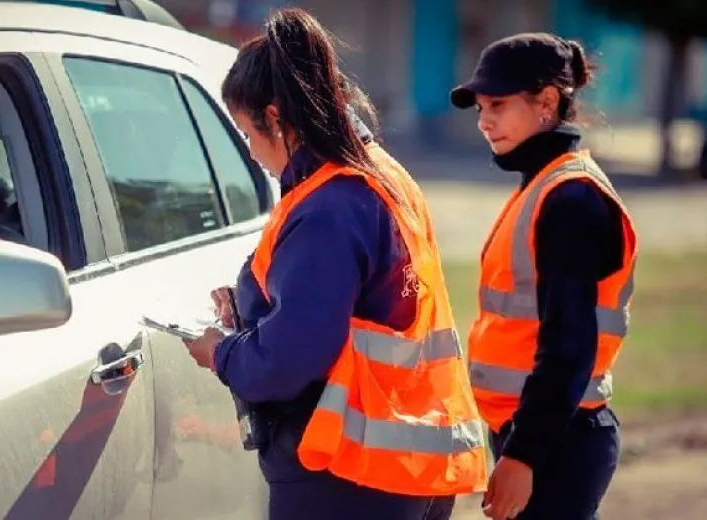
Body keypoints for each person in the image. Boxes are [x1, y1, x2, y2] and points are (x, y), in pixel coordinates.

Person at [183, 8, 488, 520]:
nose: (252, 153)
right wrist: (249, 306)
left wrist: (221, 352)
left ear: (275, 118)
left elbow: (288, 360)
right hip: (410, 461)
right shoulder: (380, 175)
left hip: (348, 474)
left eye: (248, 134)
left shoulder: (329, 206)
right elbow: (363, 306)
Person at [449, 33, 638, 520]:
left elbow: (568, 347)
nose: (484, 121)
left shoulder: (571, 199)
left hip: (558, 442)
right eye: (480, 108)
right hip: (544, 433)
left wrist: (524, 455)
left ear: (547, 103)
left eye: (498, 104)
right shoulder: (546, 186)